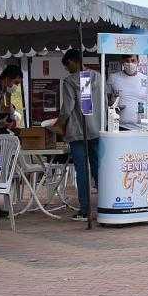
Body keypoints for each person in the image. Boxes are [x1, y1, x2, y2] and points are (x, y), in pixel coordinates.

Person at [54, 49, 103, 222]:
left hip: (78, 131)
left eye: (67, 65)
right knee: (98, 170)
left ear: (73, 62)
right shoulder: (98, 76)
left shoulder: (70, 81)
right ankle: (104, 205)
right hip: (97, 129)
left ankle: (84, 210)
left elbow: (68, 108)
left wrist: (59, 124)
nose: (67, 70)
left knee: (82, 171)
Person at [108, 55, 148, 131]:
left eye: (133, 61)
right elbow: (105, 100)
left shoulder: (146, 79)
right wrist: (113, 105)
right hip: (119, 127)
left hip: (142, 128)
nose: (130, 64)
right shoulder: (113, 78)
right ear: (122, 62)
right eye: (127, 61)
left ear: (138, 62)